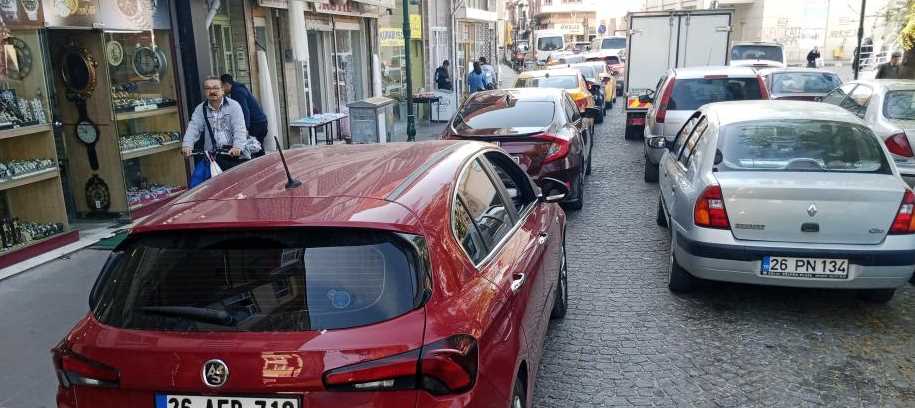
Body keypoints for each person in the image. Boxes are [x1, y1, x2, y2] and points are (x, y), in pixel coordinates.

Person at [181, 76, 249, 169]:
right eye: (208, 88)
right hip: (214, 157)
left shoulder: (233, 106)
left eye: (216, 88)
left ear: (222, 90)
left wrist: (238, 147)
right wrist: (187, 145)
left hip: (235, 155)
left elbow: (239, 128)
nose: (212, 91)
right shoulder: (200, 109)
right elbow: (193, 128)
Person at [220, 74, 268, 158]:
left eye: (221, 87)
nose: (221, 90)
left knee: (253, 150)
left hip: (256, 125)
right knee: (258, 149)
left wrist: (244, 129)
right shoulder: (238, 88)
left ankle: (261, 168)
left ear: (226, 84)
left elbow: (244, 111)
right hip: (260, 122)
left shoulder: (237, 92)